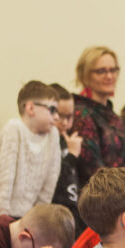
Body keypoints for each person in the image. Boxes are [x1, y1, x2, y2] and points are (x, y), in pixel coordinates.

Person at [0, 81, 62, 224]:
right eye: (52, 110)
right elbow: (4, 179)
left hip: (24, 214)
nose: (57, 117)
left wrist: (37, 219)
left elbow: (50, 181)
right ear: (30, 108)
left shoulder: (53, 135)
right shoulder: (14, 129)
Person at [69, 46, 125, 187]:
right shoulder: (81, 114)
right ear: (85, 75)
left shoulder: (113, 116)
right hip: (98, 197)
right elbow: (93, 171)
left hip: (122, 192)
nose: (110, 76)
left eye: (113, 70)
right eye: (101, 71)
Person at [49, 84, 85, 233]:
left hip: (73, 212)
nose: (64, 122)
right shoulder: (46, 142)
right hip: (55, 216)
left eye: (69, 116)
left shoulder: (68, 140)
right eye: (59, 115)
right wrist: (71, 155)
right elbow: (53, 178)